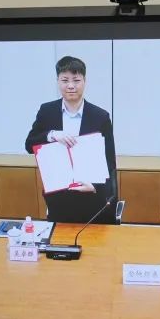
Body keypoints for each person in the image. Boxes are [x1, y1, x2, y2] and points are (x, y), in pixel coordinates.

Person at [25, 55, 118, 224]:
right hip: (58, 197)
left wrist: (95, 187)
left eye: (76, 80)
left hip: (91, 197)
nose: (70, 86)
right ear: (58, 81)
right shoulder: (47, 111)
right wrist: (52, 135)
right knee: (59, 238)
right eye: (65, 80)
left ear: (84, 81)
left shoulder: (100, 117)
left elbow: (109, 161)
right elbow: (29, 144)